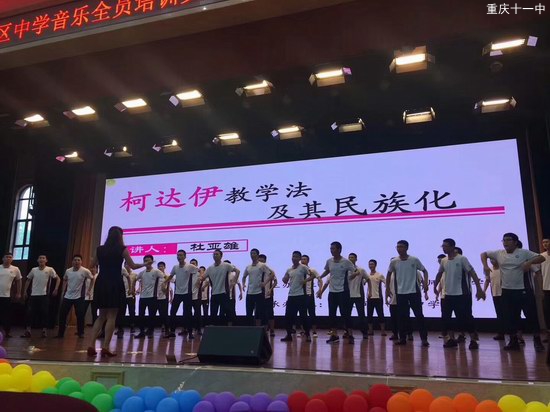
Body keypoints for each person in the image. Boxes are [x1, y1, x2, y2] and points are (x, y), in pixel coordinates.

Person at [481, 232, 546, 351]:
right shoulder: (499, 253)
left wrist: (529, 262)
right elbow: (483, 254)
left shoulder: (523, 252)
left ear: (515, 242)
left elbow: (542, 258)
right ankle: (513, 341)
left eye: (508, 240)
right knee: (510, 317)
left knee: (531, 316)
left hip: (523, 290)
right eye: (504, 240)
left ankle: (537, 341)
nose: (505, 242)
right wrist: (485, 265)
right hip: (507, 290)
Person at [87, 226, 144, 358]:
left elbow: (91, 265)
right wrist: (145, 264)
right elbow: (133, 266)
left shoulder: (99, 249)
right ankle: (105, 347)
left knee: (101, 316)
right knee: (112, 316)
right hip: (115, 282)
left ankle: (91, 345)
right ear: (120, 236)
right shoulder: (122, 249)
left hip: (101, 282)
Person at [434, 238, 485, 349]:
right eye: (442, 246)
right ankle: (451, 339)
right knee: (446, 318)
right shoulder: (444, 260)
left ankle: (473, 340)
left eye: (446, 246)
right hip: (448, 294)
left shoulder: (462, 259)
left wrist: (479, 289)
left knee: (466, 318)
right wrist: (434, 286)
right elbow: (439, 273)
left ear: (452, 247)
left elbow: (472, 273)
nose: (443, 248)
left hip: (462, 294)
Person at [386, 240, 430, 347]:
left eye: (401, 247)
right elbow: (388, 274)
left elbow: (425, 271)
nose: (399, 249)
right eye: (397, 247)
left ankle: (424, 339)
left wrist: (425, 283)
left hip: (414, 292)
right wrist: (387, 288)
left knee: (419, 315)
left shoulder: (414, 260)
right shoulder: (394, 261)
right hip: (401, 293)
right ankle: (402, 338)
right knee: (402, 317)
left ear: (406, 248)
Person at [318, 241, 357, 344]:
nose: (331, 250)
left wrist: (352, 276)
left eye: (333, 248)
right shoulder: (329, 261)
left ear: (339, 250)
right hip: (332, 292)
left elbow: (355, 271)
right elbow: (327, 270)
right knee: (332, 314)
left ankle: (350, 334)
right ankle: (334, 335)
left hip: (343, 292)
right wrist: (320, 277)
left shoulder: (346, 262)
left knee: (345, 314)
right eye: (330, 249)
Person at [21, 255, 60, 338]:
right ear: (37, 260)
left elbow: (58, 278)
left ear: (46, 260)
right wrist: (24, 291)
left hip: (44, 295)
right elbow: (28, 280)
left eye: (43, 258)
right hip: (33, 295)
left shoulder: (50, 269)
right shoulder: (34, 270)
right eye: (40, 258)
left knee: (44, 313)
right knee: (29, 313)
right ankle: (28, 330)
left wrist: (56, 289)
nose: (41, 259)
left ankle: (44, 331)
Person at [56, 254, 93, 338]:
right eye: (75, 260)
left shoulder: (85, 271)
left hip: (79, 297)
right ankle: (60, 333)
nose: (77, 262)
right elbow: (65, 279)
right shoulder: (68, 271)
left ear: (81, 262)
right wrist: (63, 290)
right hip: (68, 296)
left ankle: (81, 333)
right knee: (62, 314)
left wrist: (89, 289)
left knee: (80, 315)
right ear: (72, 262)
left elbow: (92, 278)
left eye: (78, 260)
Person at [280, 251, 312, 343]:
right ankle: (288, 335)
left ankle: (307, 334)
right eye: (293, 256)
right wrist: (284, 279)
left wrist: (305, 281)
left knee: (303, 316)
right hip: (291, 295)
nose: (294, 258)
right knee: (288, 316)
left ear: (299, 258)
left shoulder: (303, 267)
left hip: (301, 295)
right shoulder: (289, 269)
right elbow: (285, 280)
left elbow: (312, 275)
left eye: (296, 257)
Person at [167, 250, 199, 339]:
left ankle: (190, 332)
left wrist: (199, 280)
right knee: (172, 312)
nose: (179, 257)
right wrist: (165, 282)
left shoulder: (190, 266)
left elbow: (199, 271)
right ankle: (172, 332)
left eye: (181, 255)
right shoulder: (175, 267)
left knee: (188, 314)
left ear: (185, 256)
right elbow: (171, 276)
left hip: (187, 293)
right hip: (177, 293)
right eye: (178, 255)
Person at [134, 254, 165, 339]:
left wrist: (164, 286)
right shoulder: (142, 273)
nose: (147, 262)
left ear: (152, 261)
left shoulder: (156, 271)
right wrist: (133, 289)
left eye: (148, 260)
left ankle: (150, 331)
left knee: (152, 316)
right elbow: (135, 279)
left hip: (152, 297)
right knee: (141, 315)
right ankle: (142, 332)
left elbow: (165, 277)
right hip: (142, 297)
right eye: (145, 261)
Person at [205, 249, 238, 325]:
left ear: (221, 256)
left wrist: (234, 281)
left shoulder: (226, 265)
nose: (215, 256)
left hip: (224, 293)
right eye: (214, 254)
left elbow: (237, 271)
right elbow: (203, 277)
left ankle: (230, 328)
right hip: (214, 293)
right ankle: (213, 328)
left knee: (228, 312)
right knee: (213, 313)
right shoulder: (210, 268)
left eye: (217, 254)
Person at [242, 249, 272, 326]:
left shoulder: (262, 265)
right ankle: (250, 329)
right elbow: (244, 276)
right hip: (250, 292)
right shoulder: (248, 267)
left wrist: (265, 283)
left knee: (261, 313)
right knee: (249, 313)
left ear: (258, 255)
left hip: (259, 292)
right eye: (251, 253)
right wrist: (243, 284)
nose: (252, 255)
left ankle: (263, 329)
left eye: (254, 253)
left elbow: (272, 274)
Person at [347, 253, 369, 339]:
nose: (350, 259)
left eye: (352, 257)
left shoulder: (361, 270)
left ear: (356, 259)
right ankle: (348, 332)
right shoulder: (346, 270)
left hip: (359, 295)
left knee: (361, 315)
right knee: (347, 315)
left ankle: (364, 332)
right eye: (349, 257)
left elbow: (368, 279)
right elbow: (348, 278)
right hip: (348, 295)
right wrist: (355, 274)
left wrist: (369, 289)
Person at [0, 252, 22, 338]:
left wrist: (18, 292)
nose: (8, 258)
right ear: (3, 258)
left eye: (10, 257)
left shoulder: (15, 269)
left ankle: (7, 332)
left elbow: (19, 280)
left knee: (6, 314)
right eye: (6, 257)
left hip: (6, 295)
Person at [483, 258, 505, 340]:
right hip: (495, 294)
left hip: (504, 294)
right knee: (499, 315)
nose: (492, 261)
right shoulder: (489, 269)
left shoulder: (503, 269)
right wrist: (483, 291)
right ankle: (501, 333)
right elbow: (487, 280)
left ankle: (513, 334)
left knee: (507, 315)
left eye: (494, 259)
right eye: (491, 260)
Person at [300, 254, 321, 338]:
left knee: (312, 313)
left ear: (308, 261)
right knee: (302, 313)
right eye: (302, 259)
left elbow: (319, 279)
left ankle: (314, 331)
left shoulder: (312, 270)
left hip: (309, 294)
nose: (303, 261)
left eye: (304, 259)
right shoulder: (299, 270)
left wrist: (320, 290)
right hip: (300, 294)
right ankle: (303, 331)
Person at [366, 259, 386, 337]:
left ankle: (383, 331)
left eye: (372, 264)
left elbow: (386, 283)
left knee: (380, 315)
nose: (371, 266)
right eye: (369, 264)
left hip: (378, 297)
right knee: (369, 315)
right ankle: (370, 331)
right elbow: (363, 283)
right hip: (369, 298)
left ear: (375, 265)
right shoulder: (367, 275)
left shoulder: (379, 275)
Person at [116, 265, 137, 338]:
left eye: (128, 265)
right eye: (126, 265)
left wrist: (135, 290)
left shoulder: (134, 274)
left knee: (132, 311)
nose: (127, 266)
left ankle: (132, 327)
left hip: (130, 295)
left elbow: (140, 282)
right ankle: (120, 329)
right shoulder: (121, 273)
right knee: (121, 312)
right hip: (122, 296)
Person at [156, 262, 172, 338]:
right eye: (159, 266)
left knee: (164, 314)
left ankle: (167, 329)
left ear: (164, 267)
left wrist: (171, 298)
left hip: (164, 298)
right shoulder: (156, 277)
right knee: (156, 314)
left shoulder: (167, 276)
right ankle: (151, 329)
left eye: (162, 266)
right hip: (155, 297)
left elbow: (171, 287)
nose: (160, 268)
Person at [540, 238, 550, 342]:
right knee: (547, 311)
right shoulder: (542, 256)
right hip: (546, 288)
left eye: (547, 242)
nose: (545, 244)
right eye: (543, 242)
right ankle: (548, 333)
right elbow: (538, 272)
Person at [198, 266, 209, 331]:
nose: (200, 271)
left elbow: (208, 282)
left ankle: (206, 325)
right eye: (199, 270)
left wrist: (203, 286)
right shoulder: (198, 278)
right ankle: (198, 326)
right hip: (198, 298)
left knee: (205, 312)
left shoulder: (207, 278)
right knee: (198, 312)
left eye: (202, 270)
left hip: (205, 298)